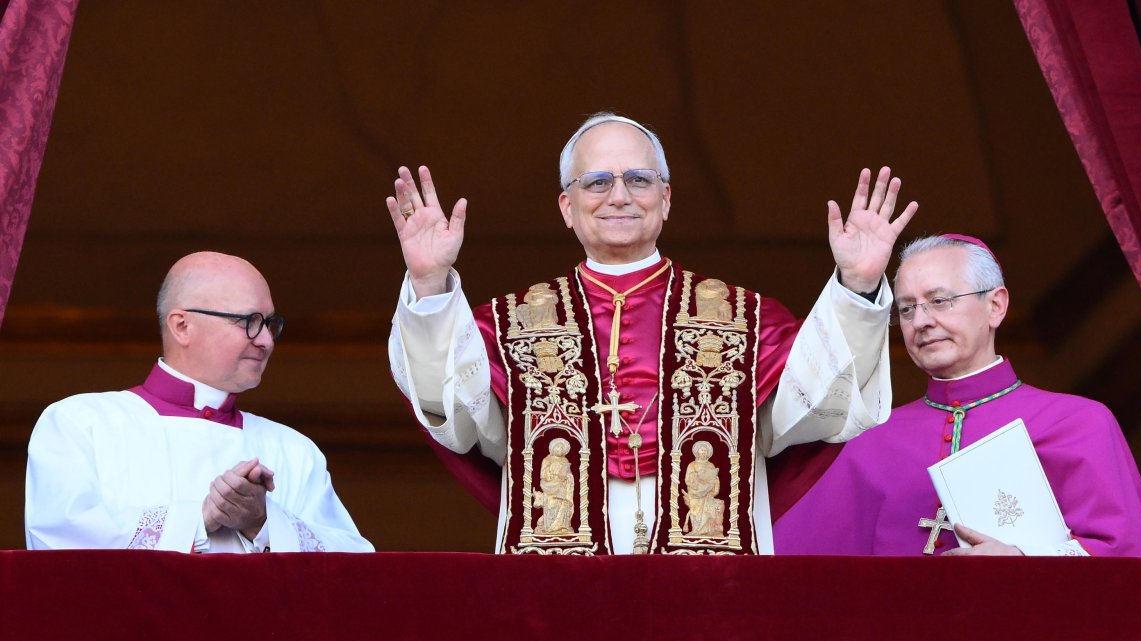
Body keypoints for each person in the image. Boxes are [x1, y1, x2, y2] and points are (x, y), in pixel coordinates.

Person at [386, 113, 918, 555]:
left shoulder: (745, 319)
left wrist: (858, 284)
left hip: (710, 577)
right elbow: (452, 413)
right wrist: (430, 284)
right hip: (552, 578)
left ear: (666, 199)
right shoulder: (509, 325)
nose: (619, 196)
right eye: (597, 182)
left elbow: (823, 403)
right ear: (567, 208)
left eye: (638, 180)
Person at [773, 234, 1141, 556]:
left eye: (940, 301)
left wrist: (1027, 562)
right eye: (907, 309)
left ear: (995, 306)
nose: (921, 321)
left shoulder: (1078, 423)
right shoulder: (871, 441)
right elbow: (794, 567)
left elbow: (1132, 560)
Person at [25, 252, 373, 553]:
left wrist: (262, 522)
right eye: (249, 322)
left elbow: (355, 571)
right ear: (182, 326)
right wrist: (198, 519)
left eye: (270, 324)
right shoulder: (79, 424)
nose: (266, 340)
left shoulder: (294, 451)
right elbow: (60, 547)